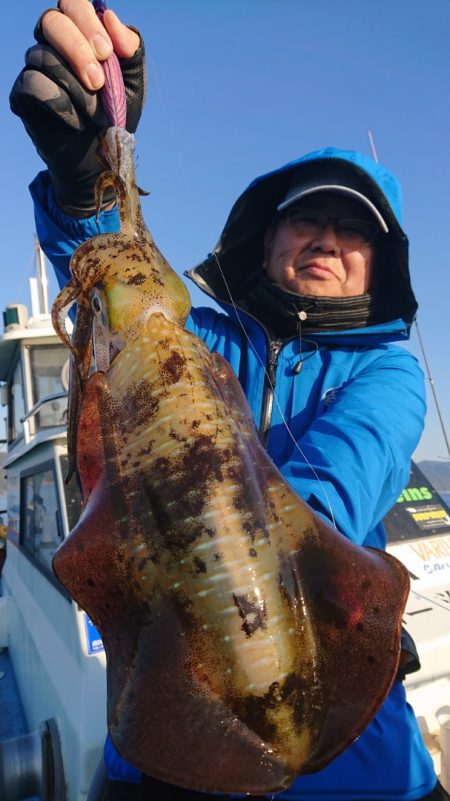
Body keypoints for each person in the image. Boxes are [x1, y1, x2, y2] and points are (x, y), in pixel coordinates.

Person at [9, 3, 449, 800]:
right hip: (161, 743)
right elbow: (117, 290)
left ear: (381, 264)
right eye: (307, 216)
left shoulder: (387, 375)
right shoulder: (196, 337)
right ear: (268, 238)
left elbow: (335, 490)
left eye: (353, 230)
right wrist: (87, 183)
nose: (325, 236)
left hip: (350, 770)